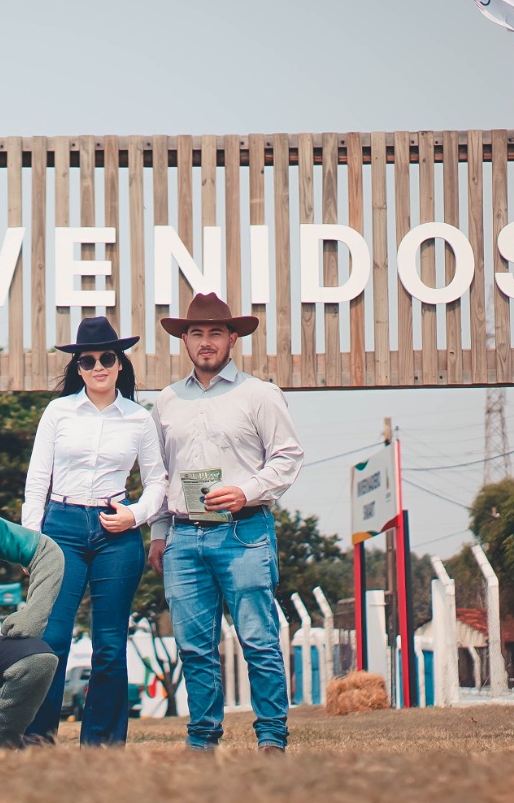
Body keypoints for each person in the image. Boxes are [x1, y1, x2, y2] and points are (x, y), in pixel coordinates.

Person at [149, 292, 303, 755]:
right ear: (185, 341)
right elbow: (159, 473)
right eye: (196, 334)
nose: (205, 342)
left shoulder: (259, 394)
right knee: (195, 648)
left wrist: (247, 491)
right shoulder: (166, 401)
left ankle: (272, 738)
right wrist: (158, 535)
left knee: (258, 639)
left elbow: (288, 456)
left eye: (215, 332)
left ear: (233, 338)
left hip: (245, 532)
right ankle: (202, 741)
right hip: (182, 535)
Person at [22, 316, 169, 745]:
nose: (99, 366)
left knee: (109, 645)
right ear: (79, 368)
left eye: (107, 357)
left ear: (120, 363)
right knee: (51, 639)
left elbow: (158, 481)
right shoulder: (58, 411)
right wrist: (33, 543)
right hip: (61, 526)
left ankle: (102, 745)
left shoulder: (139, 419)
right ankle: (36, 737)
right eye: (88, 360)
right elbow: (37, 482)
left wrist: (136, 515)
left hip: (116, 530)